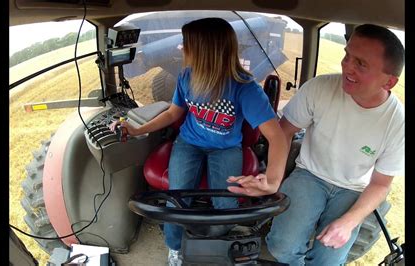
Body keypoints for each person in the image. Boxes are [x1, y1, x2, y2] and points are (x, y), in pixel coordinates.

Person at [109, 17, 287, 266]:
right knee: (176, 199)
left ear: (205, 51)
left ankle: (214, 242)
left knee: (226, 205)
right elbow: (173, 113)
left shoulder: (244, 87)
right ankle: (174, 249)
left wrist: (273, 180)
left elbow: (277, 136)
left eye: (186, 44)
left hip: (226, 148)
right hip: (189, 143)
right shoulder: (186, 77)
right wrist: (138, 129)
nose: (181, 49)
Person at [228, 24, 404, 265]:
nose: (347, 66)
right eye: (347, 55)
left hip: (353, 188)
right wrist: (272, 178)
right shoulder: (320, 88)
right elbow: (284, 133)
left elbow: (381, 184)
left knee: (328, 260)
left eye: (361, 64)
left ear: (389, 82)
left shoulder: (398, 123)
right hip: (309, 173)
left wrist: (349, 222)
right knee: (281, 248)